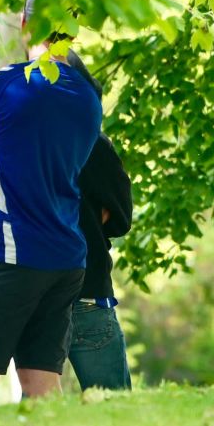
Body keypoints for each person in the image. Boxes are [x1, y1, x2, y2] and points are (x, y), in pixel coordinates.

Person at [0, 10, 103, 407]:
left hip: (7, 254)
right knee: (42, 383)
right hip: (66, 260)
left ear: (26, 25)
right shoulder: (89, 97)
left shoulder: (5, 83)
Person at [70, 135, 134, 390]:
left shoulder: (11, 133)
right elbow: (120, 217)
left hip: (27, 284)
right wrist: (90, 221)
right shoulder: (88, 141)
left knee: (38, 398)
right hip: (86, 283)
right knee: (113, 401)